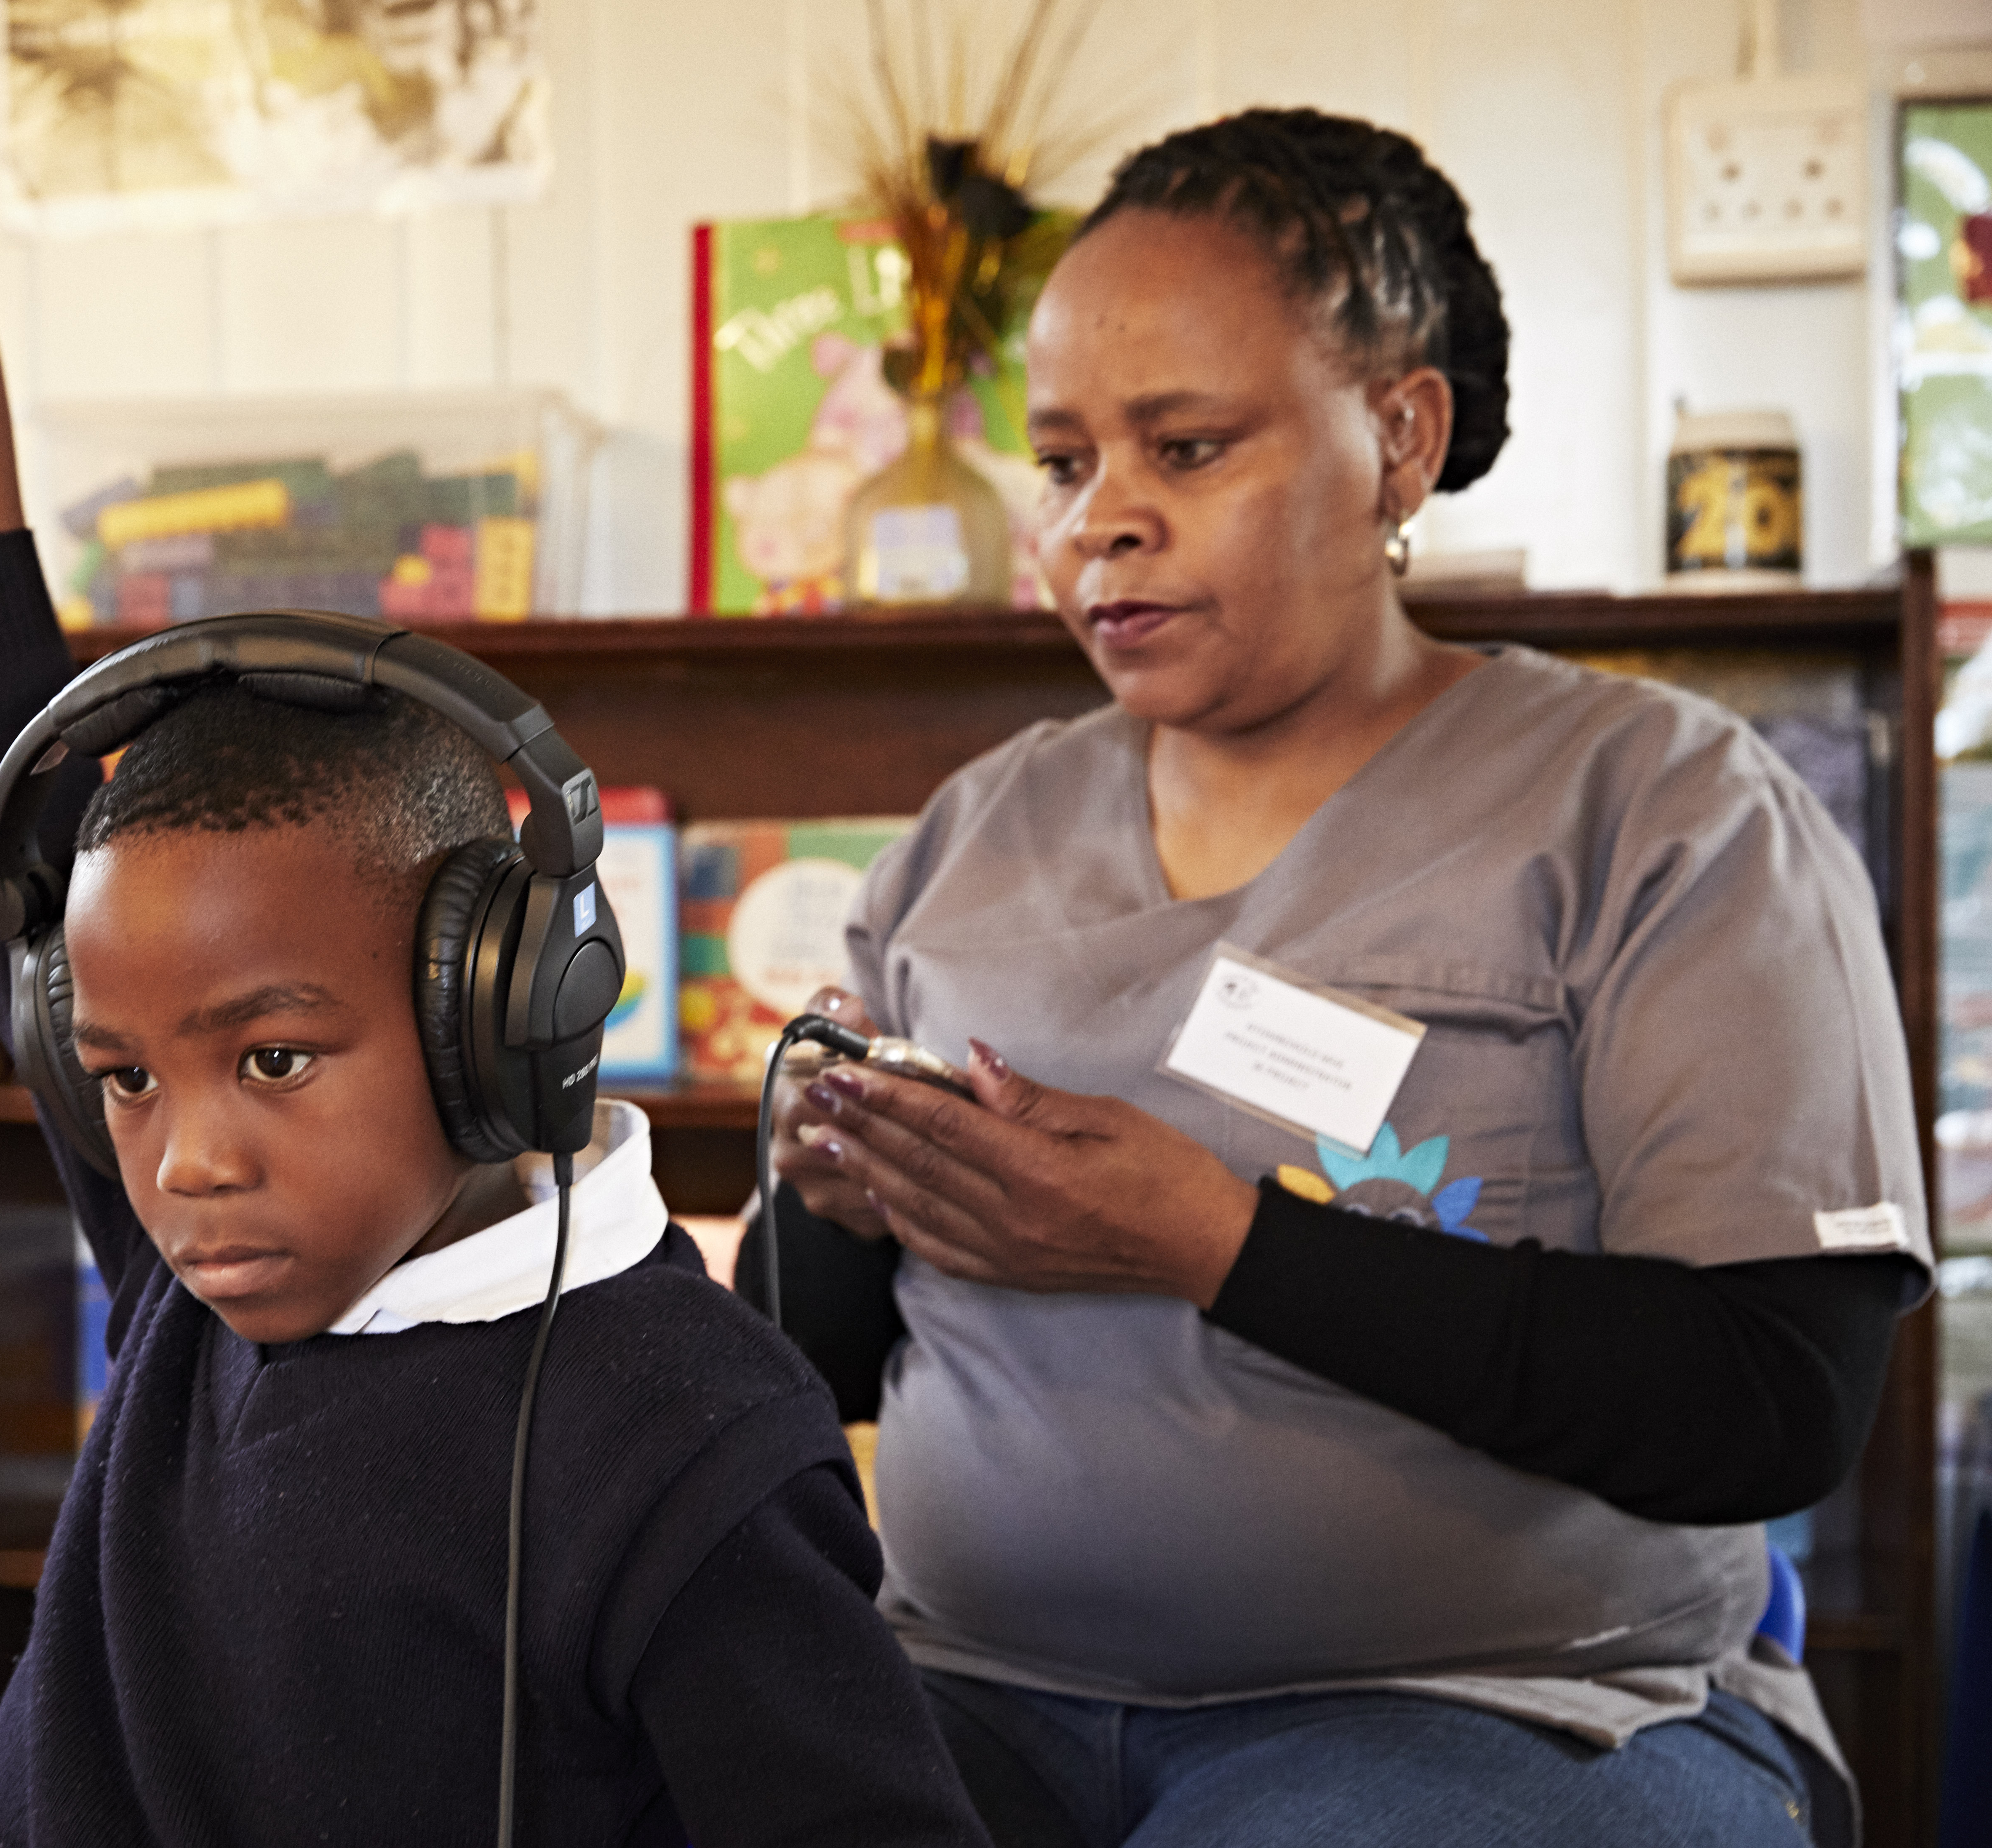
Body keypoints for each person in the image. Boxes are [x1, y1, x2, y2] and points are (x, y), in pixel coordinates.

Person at [0, 36, 992, 1848]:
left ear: (493, 1004)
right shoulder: (197, 1272)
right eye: (119, 1073)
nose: (181, 1155)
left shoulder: (685, 1437)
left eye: (271, 1055)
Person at [758, 110, 1929, 1847]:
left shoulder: (1659, 808)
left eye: (1185, 445)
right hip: (967, 1687)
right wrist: (832, 1191)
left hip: (1500, 1709)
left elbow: (1763, 1399)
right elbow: (824, 1362)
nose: (1105, 523)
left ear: (1397, 435)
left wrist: (1207, 1238)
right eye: (1066, 459)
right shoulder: (976, 828)